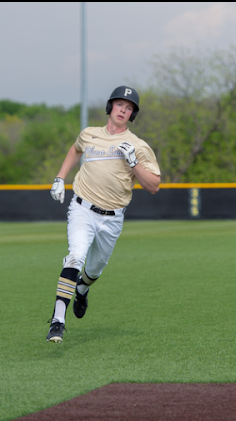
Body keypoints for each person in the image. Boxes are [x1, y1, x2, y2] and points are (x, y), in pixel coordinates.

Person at [47, 86, 161, 343]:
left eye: (129, 107)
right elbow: (76, 149)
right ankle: (58, 320)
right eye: (120, 104)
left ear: (132, 115)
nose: (123, 109)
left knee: (94, 269)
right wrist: (59, 177)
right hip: (82, 208)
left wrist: (134, 163)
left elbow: (154, 186)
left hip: (112, 218)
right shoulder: (89, 134)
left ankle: (83, 289)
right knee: (75, 257)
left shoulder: (138, 146)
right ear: (110, 107)